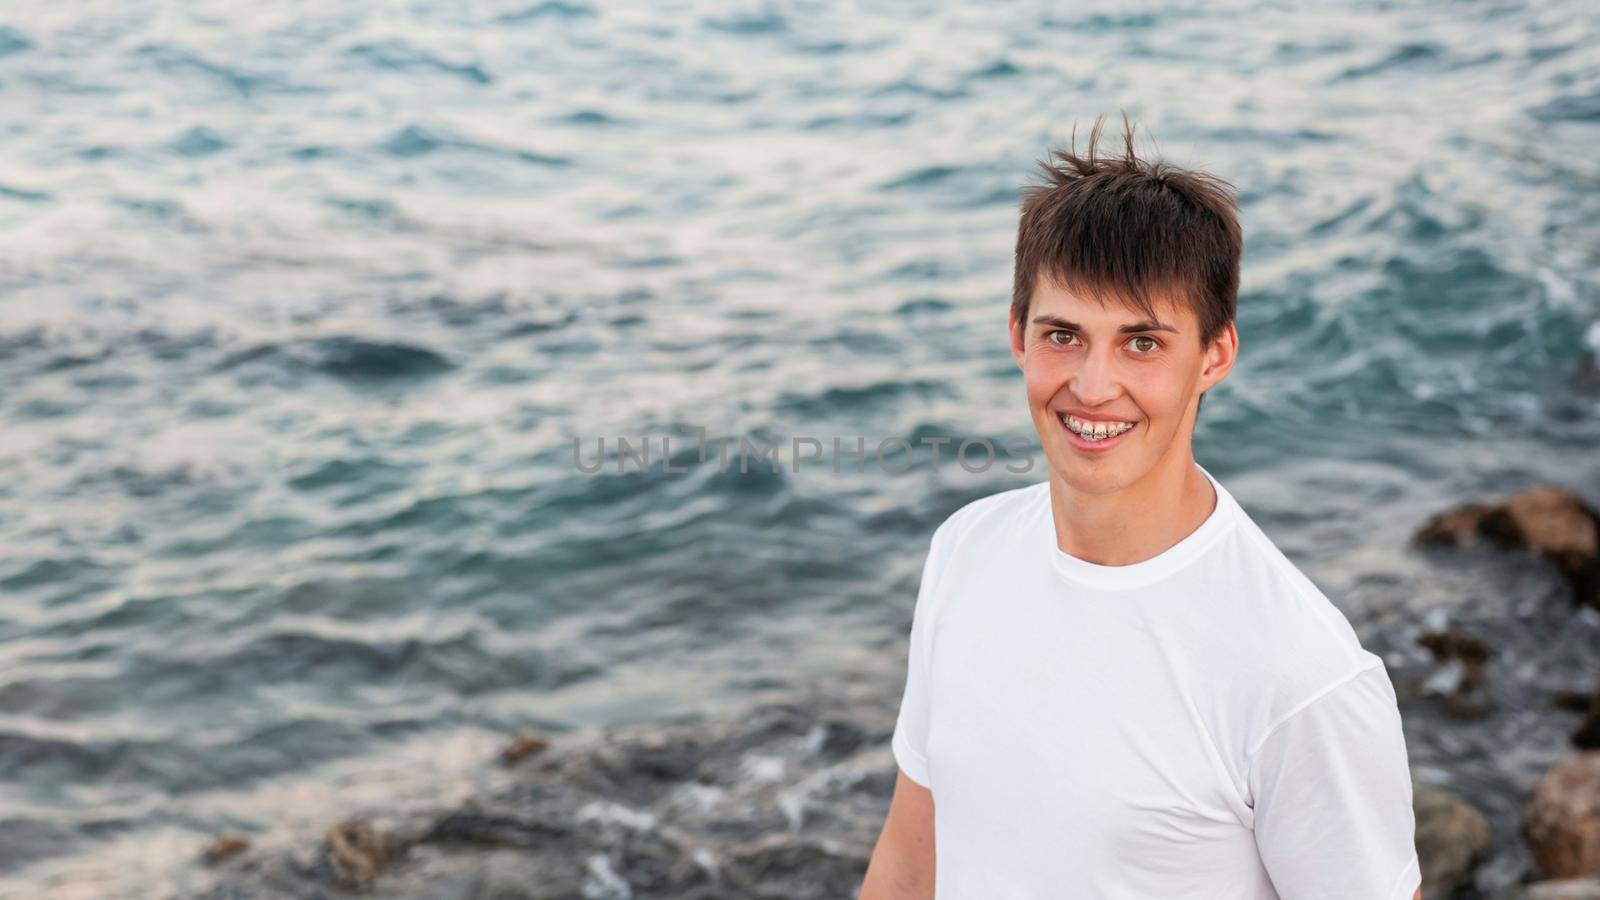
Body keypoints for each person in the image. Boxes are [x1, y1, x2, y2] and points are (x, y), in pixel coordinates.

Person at [859, 114, 1422, 899]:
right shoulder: (965, 550)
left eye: (1143, 343)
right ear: (1017, 336)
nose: (1092, 388)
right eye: (1064, 335)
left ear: (1215, 355)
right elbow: (907, 864)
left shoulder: (1300, 674)